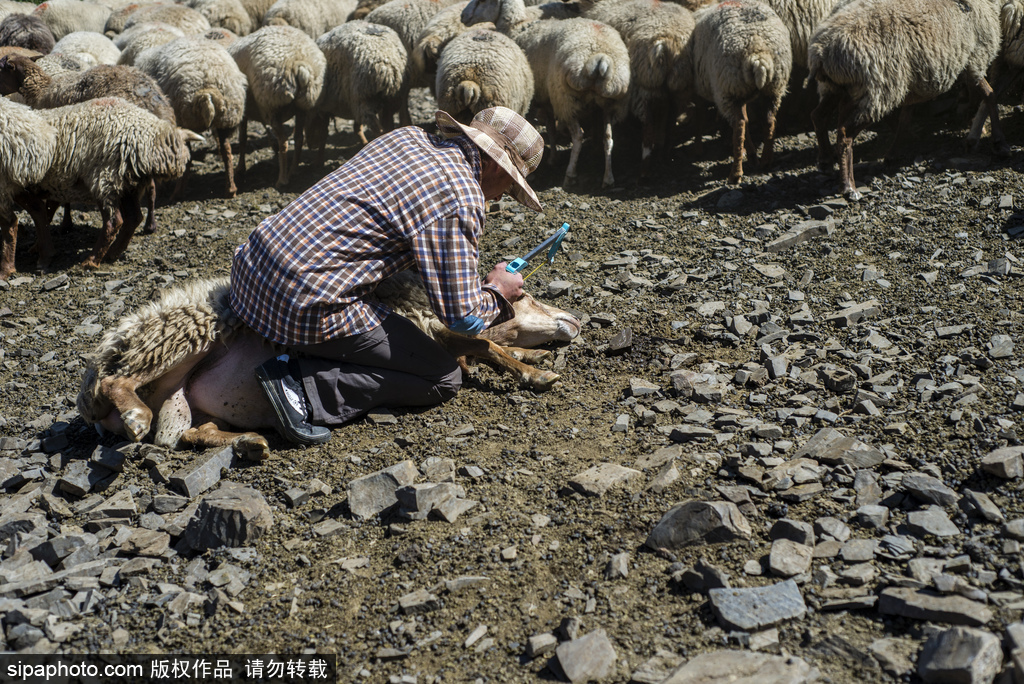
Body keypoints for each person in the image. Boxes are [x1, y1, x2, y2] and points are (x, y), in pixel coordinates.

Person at [228, 106, 546, 444]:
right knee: (442, 376)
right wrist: (497, 290)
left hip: (249, 269)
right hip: (300, 300)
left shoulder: (408, 137)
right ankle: (300, 389)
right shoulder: (461, 197)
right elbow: (461, 317)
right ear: (496, 164)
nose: (499, 197)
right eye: (509, 184)